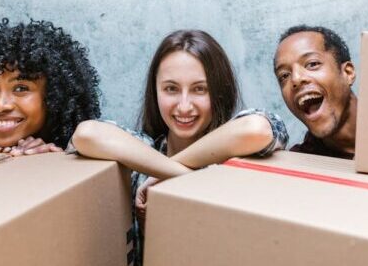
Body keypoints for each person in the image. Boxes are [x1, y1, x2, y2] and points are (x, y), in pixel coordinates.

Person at [69, 29, 288, 266]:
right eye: (171, 89)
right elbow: (86, 134)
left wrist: (178, 179)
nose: (184, 106)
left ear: (219, 92)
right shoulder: (141, 154)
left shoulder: (238, 156)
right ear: (156, 92)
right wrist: (180, 174)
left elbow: (256, 130)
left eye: (199, 89)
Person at [0, 18, 101, 155]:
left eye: (20, 88)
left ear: (55, 97)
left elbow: (88, 134)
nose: (0, 106)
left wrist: (63, 154)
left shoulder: (96, 140)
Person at [273, 25, 357, 159]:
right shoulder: (300, 166)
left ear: (347, 73)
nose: (296, 79)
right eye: (284, 76)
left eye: (312, 64)